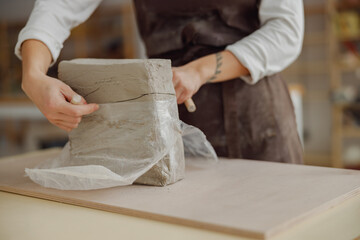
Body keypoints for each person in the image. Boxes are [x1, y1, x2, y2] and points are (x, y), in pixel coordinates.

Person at [16, 0, 304, 163]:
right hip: (169, 115)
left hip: (257, 116)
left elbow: (286, 31)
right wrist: (33, 76)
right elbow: (57, 8)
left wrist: (199, 71)